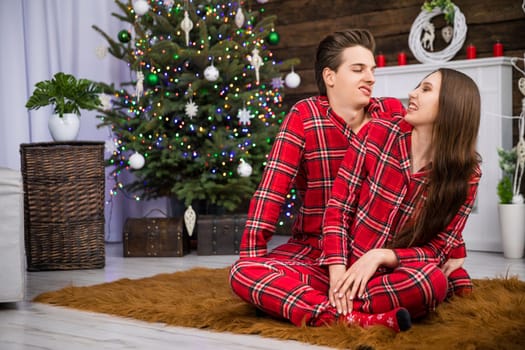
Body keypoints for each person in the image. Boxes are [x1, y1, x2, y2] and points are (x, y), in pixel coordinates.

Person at [230, 67, 481, 333]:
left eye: (425, 90)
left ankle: (318, 308)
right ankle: (352, 318)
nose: (412, 93)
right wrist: (337, 272)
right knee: (243, 272)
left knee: (430, 281)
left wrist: (382, 256)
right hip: (335, 267)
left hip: (389, 276)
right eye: (418, 86)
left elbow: (437, 250)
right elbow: (338, 208)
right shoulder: (377, 132)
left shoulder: (467, 175)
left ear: (452, 107)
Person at [239, 28, 404, 261]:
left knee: (429, 278)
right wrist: (251, 258)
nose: (371, 78)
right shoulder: (304, 115)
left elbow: (426, 178)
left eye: (371, 70)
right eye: (358, 69)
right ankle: (351, 294)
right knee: (246, 273)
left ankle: (333, 293)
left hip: (378, 249)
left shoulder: (391, 112)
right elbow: (273, 189)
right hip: (316, 245)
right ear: (330, 77)